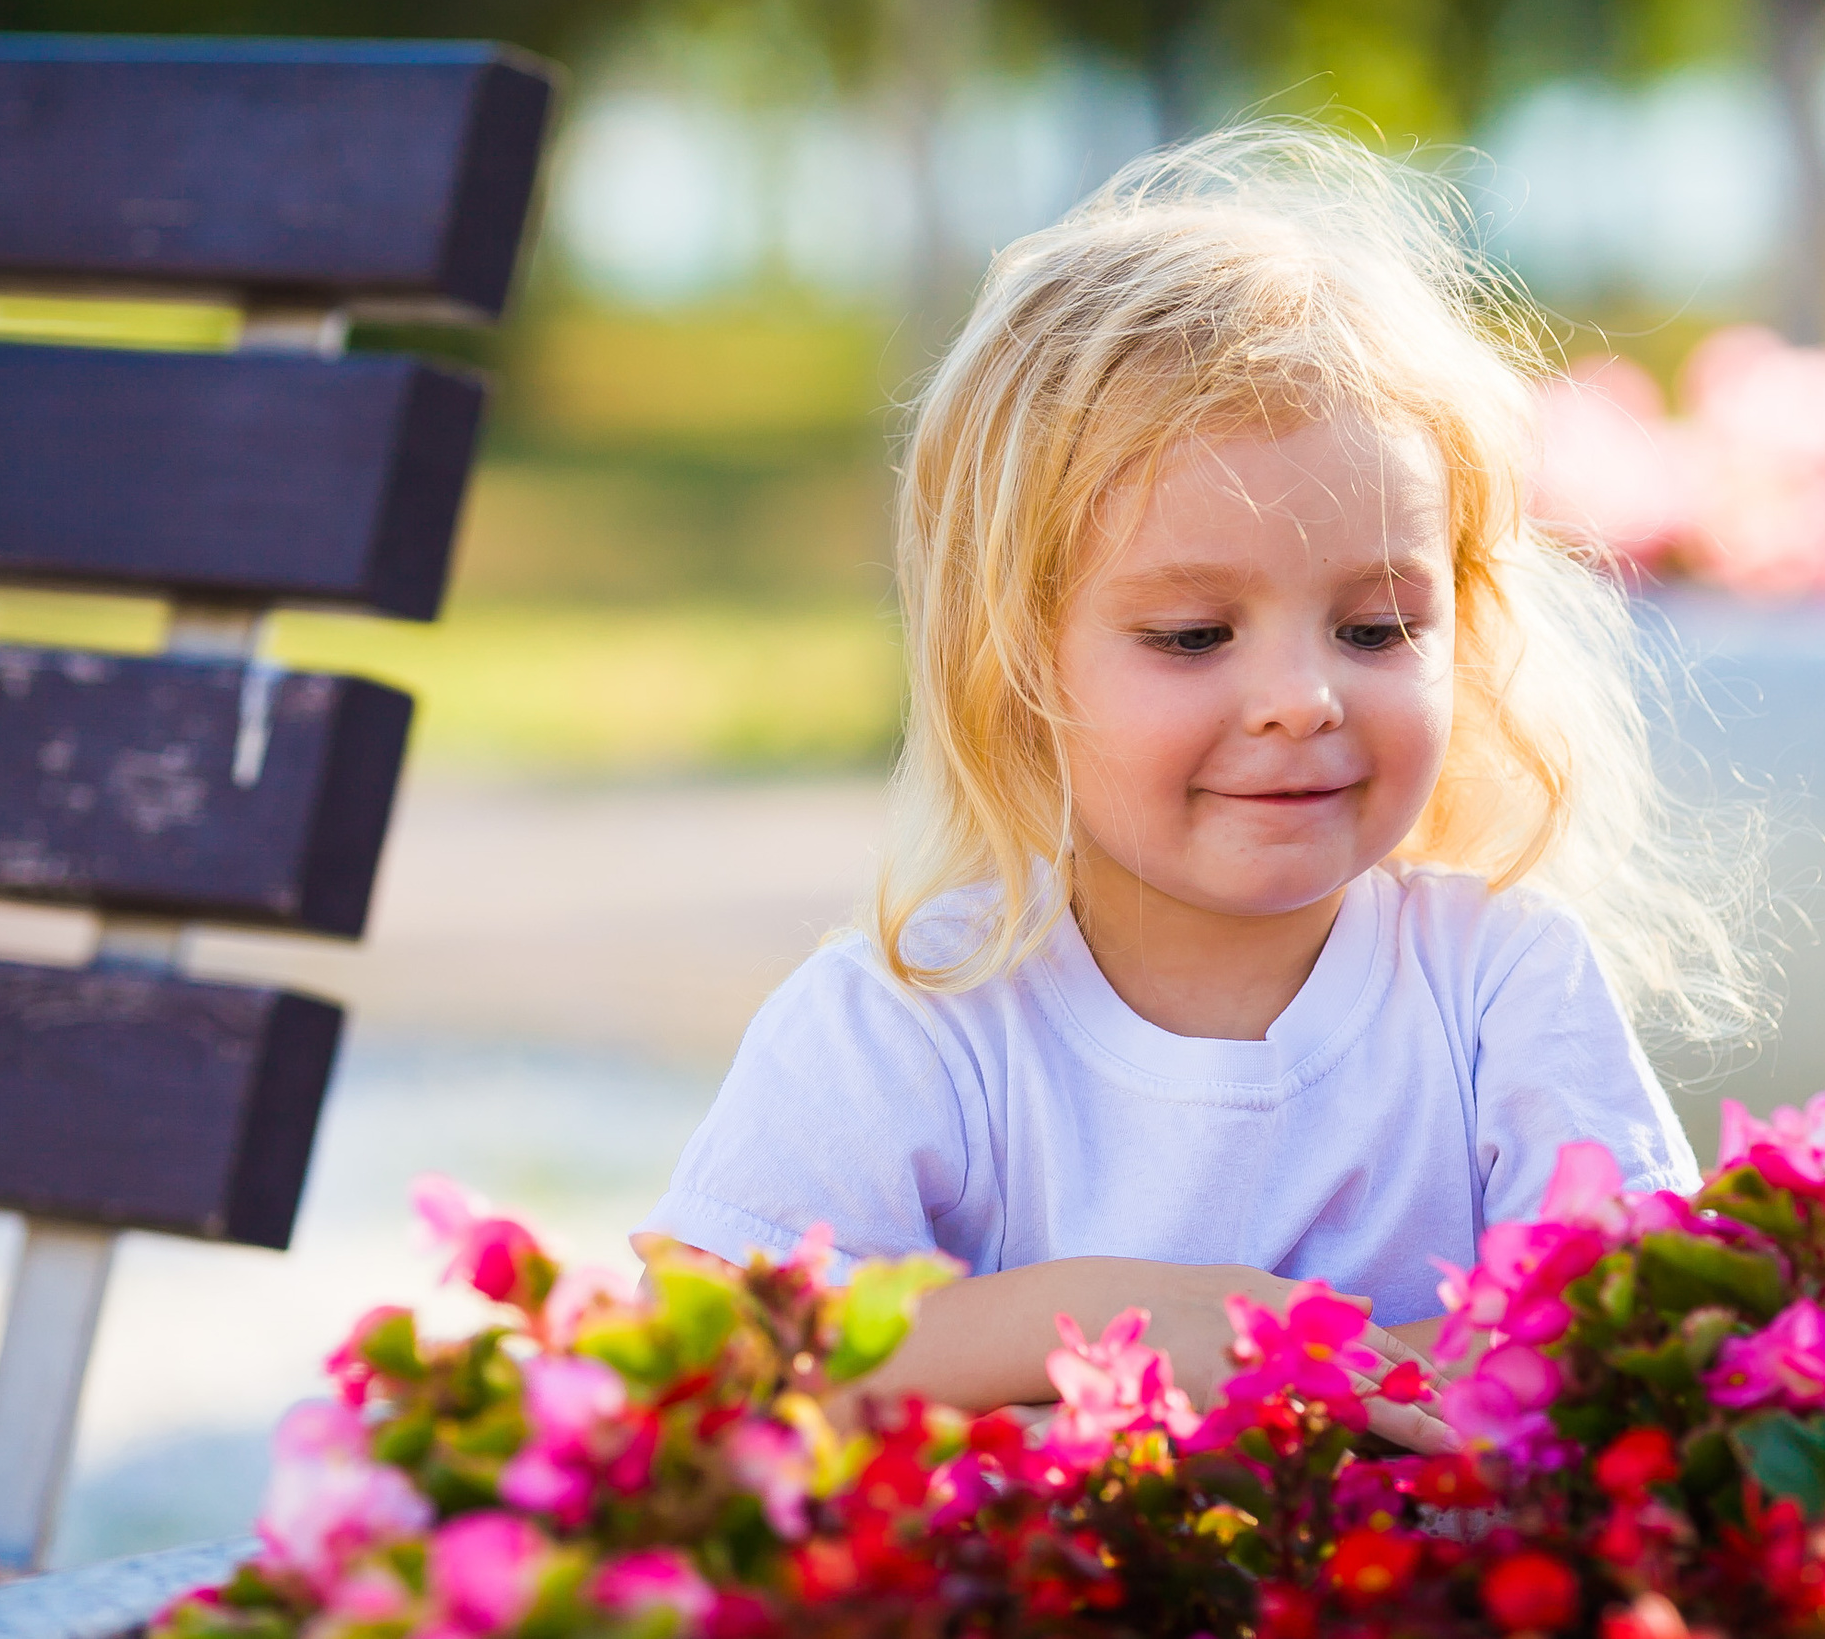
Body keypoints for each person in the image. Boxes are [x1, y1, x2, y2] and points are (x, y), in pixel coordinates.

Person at [636, 126, 1759, 1438]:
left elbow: (1643, 1328)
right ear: (1015, 666)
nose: (1303, 695)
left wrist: (1276, 1357)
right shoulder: (917, 1018)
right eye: (1192, 636)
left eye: (1379, 627)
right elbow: (704, 1348)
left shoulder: (1497, 987)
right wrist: (1119, 1318)